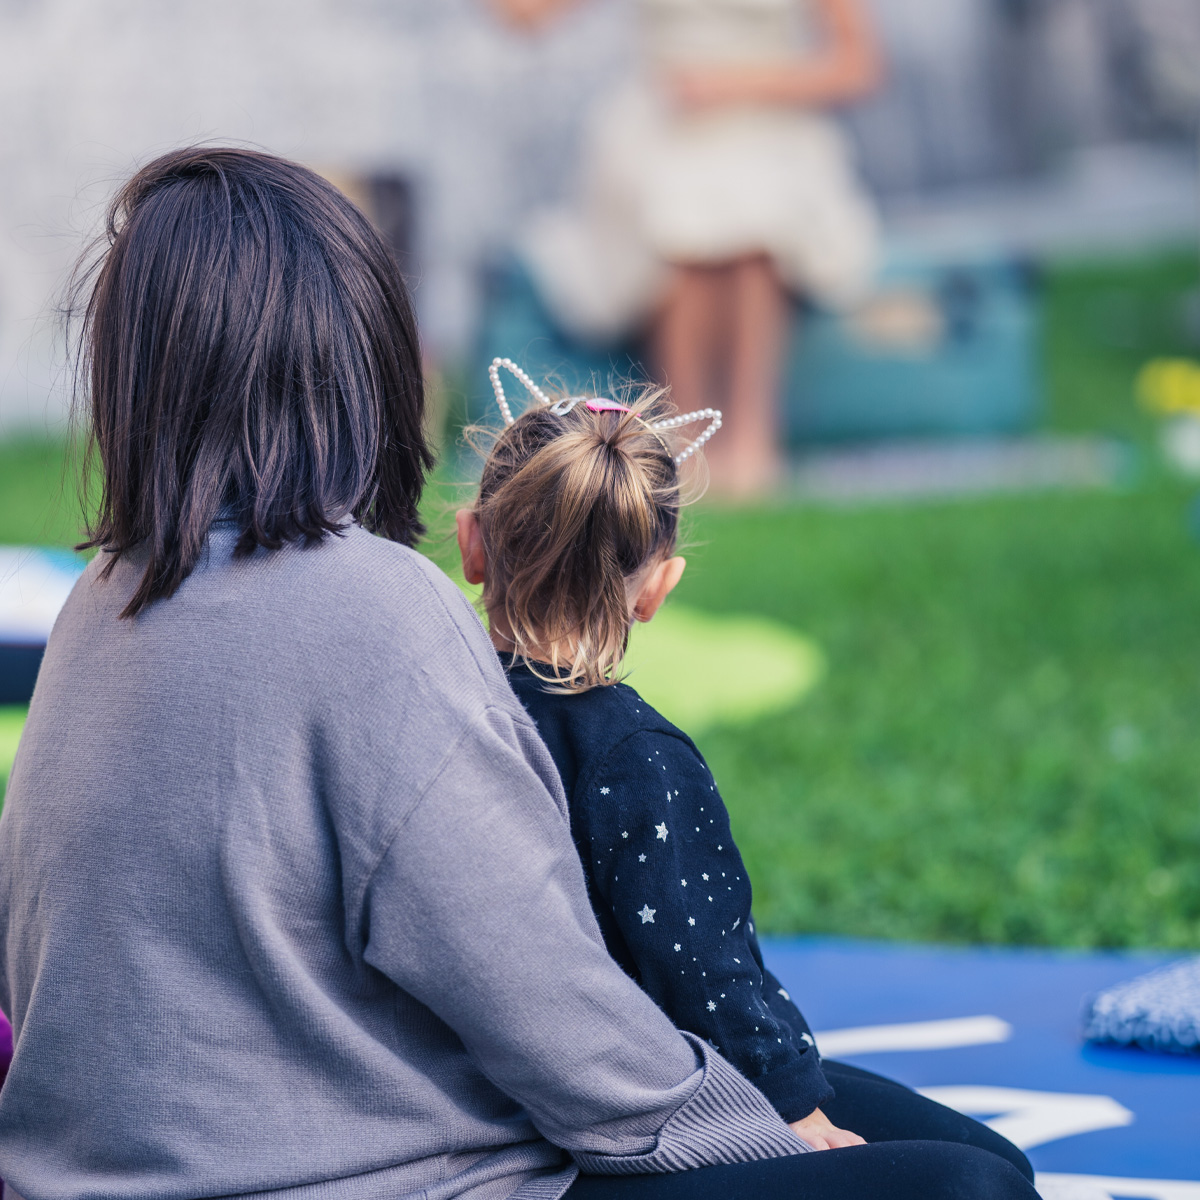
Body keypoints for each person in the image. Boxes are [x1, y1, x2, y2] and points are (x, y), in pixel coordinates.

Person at [455, 358, 1039, 1192]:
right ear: (658, 585)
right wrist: (793, 1110)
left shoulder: (432, 711)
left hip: (498, 1093)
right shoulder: (636, 757)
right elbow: (702, 967)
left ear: (474, 544)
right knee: (989, 1180)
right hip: (627, 1115)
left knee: (981, 1157)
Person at [493, 0, 882, 496]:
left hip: (771, 122)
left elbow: (858, 65)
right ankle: (685, 444)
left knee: (753, 209)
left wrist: (735, 85)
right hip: (664, 118)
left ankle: (747, 445)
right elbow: (523, 15)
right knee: (673, 202)